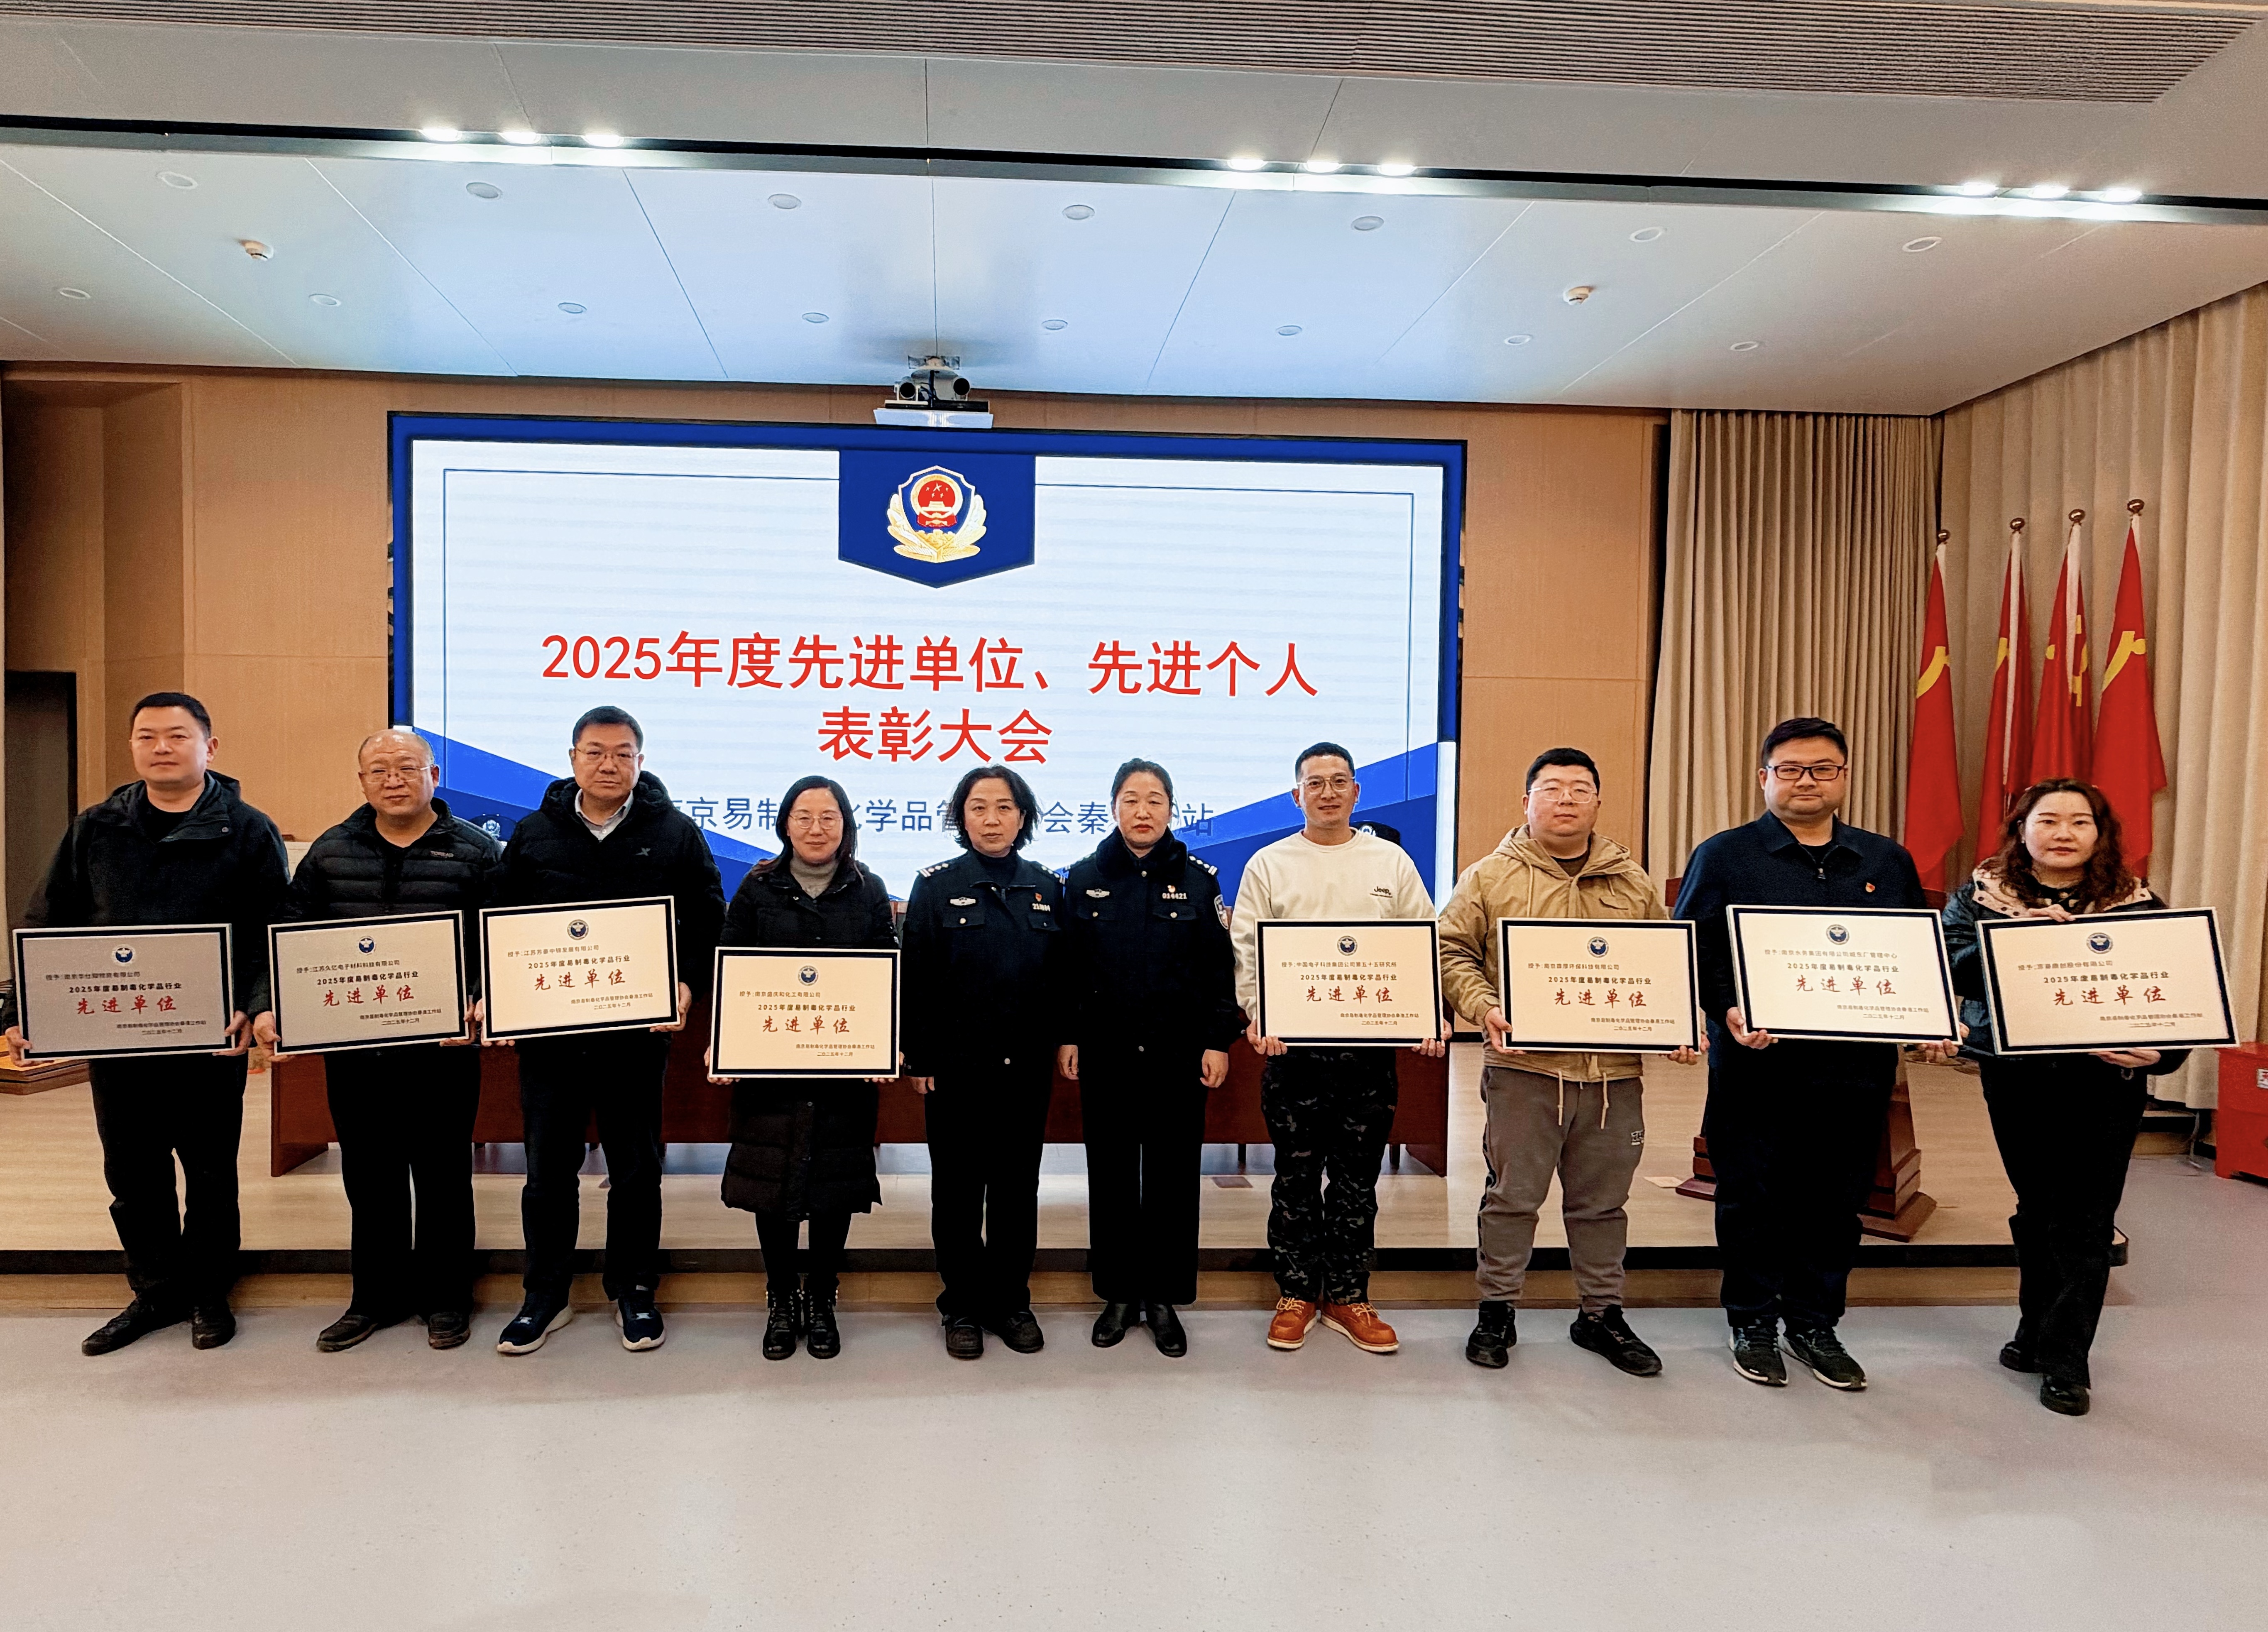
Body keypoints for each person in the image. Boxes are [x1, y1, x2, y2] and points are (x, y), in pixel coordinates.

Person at [4, 693, 288, 1356]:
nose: (161, 747)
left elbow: (269, 928)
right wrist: (24, 1010)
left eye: (178, 735)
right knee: (132, 1174)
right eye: (147, 736)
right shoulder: (96, 827)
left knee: (210, 1174)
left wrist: (253, 1001)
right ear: (132, 746)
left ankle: (210, 1291)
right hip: (118, 1034)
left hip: (210, 1036)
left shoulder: (248, 829)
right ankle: (156, 1292)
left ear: (209, 747)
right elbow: (47, 920)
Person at [1676, 715, 1949, 1392]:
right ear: (1764, 778)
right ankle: (1751, 1321)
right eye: (1791, 769)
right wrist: (1726, 1007)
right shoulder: (1725, 855)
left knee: (1836, 1201)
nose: (1807, 781)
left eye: (1823, 769)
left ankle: (1814, 1322)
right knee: (1750, 1196)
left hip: (1854, 1071)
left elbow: (1915, 955)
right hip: (1756, 1065)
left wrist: (1931, 1017)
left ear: (1844, 777)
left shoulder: (1886, 861)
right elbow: (1693, 950)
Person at [1437, 746, 1701, 1376]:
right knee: (1512, 1199)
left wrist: (1680, 1023)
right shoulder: (1489, 877)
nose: (1566, 799)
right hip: (1524, 1073)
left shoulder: (1631, 881)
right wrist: (1484, 1007)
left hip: (1614, 1079)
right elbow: (1450, 951)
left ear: (1598, 803)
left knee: (1603, 1204)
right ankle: (1497, 1309)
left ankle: (1601, 1314)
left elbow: (1663, 966)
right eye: (1551, 788)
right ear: (1526, 801)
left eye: (1580, 789)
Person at [481, 706, 724, 1356]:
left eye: (622, 754)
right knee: (547, 1169)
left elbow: (706, 916)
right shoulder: (534, 833)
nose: (608, 764)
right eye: (595, 752)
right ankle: (545, 1295)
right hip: (552, 1036)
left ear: (641, 762)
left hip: (635, 1035)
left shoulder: (675, 832)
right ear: (573, 759)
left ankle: (634, 1290)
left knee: (636, 1168)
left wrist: (686, 981)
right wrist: (497, 993)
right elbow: (499, 917)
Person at [1940, 778, 2186, 1417]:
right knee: (2037, 1208)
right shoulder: (1983, 895)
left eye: (2081, 822)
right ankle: (2035, 1330)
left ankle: (2067, 1360)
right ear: (2021, 830)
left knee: (2085, 1218)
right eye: (2048, 820)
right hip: (2016, 1077)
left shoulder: (2136, 903)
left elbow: (2177, 989)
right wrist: (2014, 943)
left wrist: (2165, 1054)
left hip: (2104, 1083)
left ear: (2101, 835)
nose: (2063, 833)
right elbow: (1946, 967)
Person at [251, 728, 500, 1353]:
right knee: (369, 1176)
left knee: (443, 1177)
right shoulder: (332, 850)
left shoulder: (476, 852)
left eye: (408, 767)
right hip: (357, 1050)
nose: (394, 779)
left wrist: (481, 996)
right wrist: (267, 1003)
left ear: (434, 776)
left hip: (443, 1052)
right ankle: (375, 1298)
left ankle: (447, 1298)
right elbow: (288, 932)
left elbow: (500, 939)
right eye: (380, 769)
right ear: (362, 781)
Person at [1230, 742, 1444, 1357]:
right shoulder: (1269, 864)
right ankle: (1296, 1294)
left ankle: (1348, 1295)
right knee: (1295, 1177)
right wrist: (1260, 1014)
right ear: (1296, 795)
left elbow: (1420, 940)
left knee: (1357, 1179)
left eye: (1339, 781)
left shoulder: (1390, 861)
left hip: (1368, 1052)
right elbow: (1247, 950)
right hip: (1292, 1052)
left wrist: (1426, 1011)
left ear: (1357, 792)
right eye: (1315, 783)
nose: (1328, 792)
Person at [712, 776, 897, 1362]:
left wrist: (887, 1041)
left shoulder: (869, 890)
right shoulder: (757, 887)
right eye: (804, 816)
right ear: (785, 824)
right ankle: (780, 1298)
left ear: (846, 826)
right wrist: (722, 1041)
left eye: (829, 817)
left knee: (835, 1187)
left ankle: (821, 1298)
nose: (816, 828)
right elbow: (730, 964)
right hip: (771, 1068)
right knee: (772, 1185)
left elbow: (887, 969)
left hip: (844, 1066)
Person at [1060, 758, 1239, 1357]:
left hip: (1177, 1055)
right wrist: (1069, 1035)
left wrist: (1218, 1040)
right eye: (1131, 800)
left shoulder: (1199, 880)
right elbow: (1068, 971)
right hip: (1107, 1053)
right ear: (1113, 806)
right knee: (1111, 1175)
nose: (1143, 811)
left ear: (1171, 809)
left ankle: (1163, 1298)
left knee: (1172, 1177)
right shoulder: (1083, 878)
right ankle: (1116, 1294)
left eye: (1155, 800)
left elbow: (1219, 970)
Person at [901, 765, 1069, 1360]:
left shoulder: (1047, 887)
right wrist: (919, 1056)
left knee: (1018, 1191)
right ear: (961, 817)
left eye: (1004, 808)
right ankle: (962, 1306)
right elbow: (916, 978)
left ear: (1023, 817)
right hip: (956, 1068)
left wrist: (1066, 1038)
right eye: (978, 808)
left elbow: (1063, 978)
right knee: (957, 1192)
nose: (991, 819)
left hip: (1025, 1068)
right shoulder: (935, 886)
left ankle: (1011, 1301)